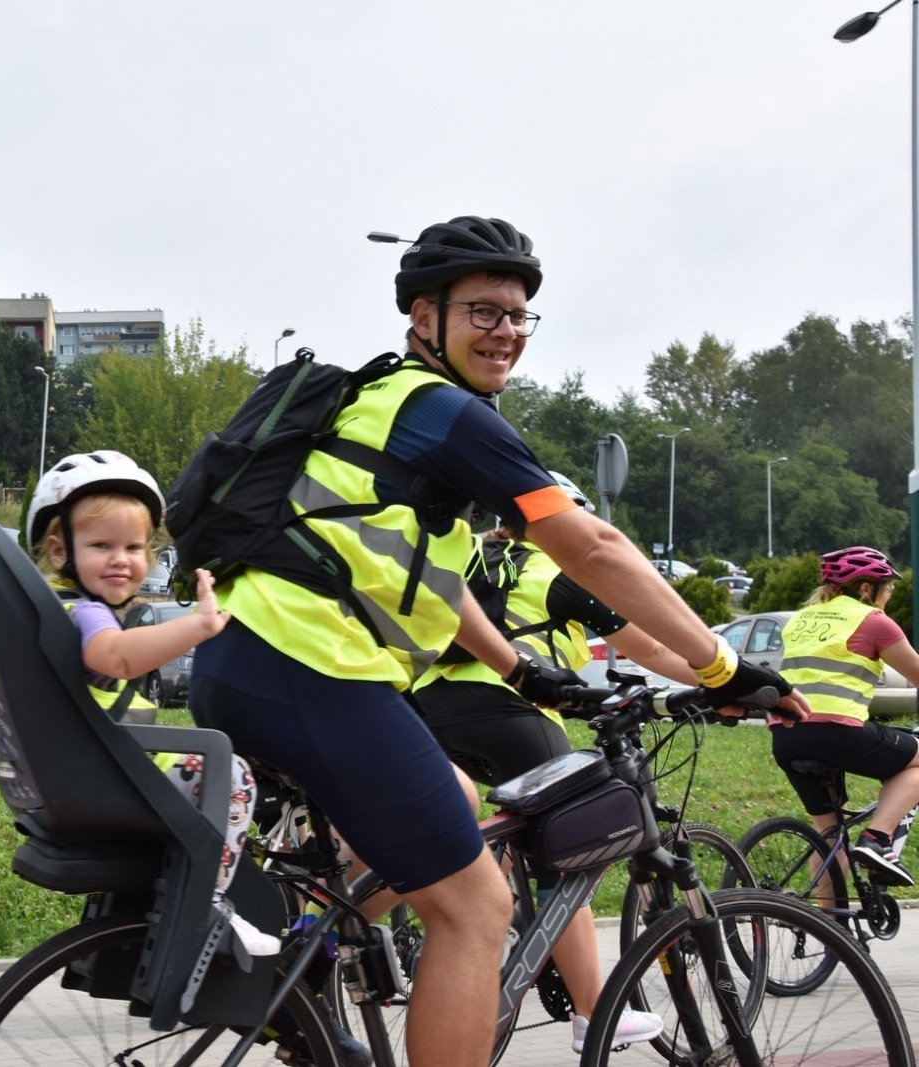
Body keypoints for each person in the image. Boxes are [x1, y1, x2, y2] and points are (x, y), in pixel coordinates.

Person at [189, 215, 806, 1067]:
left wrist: (525, 670)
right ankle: (300, 979)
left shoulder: (386, 406)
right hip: (309, 668)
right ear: (423, 318)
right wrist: (722, 665)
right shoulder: (443, 411)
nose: (506, 331)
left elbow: (436, 585)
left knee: (452, 795)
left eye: (518, 315)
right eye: (483, 311)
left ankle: (302, 971)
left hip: (254, 661)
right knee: (478, 907)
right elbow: (595, 547)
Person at [412, 472, 698, 1053]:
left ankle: (497, 921)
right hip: (511, 711)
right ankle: (594, 1012)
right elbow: (651, 648)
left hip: (428, 706)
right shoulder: (559, 573)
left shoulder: (473, 560)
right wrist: (718, 682)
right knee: (569, 855)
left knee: (479, 832)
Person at [26, 451, 281, 960]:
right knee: (231, 775)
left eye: (134, 547)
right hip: (116, 775)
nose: (121, 559)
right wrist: (198, 626)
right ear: (59, 550)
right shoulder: (85, 613)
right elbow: (117, 657)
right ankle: (208, 903)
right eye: (102, 546)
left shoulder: (50, 605)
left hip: (87, 770)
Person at [773, 546, 919, 887]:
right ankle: (877, 839)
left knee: (827, 834)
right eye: (887, 586)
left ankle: (828, 919)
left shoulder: (801, 619)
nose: (890, 593)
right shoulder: (872, 621)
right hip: (836, 733)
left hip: (786, 735)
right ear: (866, 588)